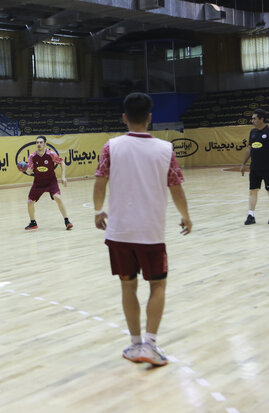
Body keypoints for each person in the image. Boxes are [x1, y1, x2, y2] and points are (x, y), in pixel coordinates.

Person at [93, 92, 192, 367]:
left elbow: (100, 182)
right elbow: (176, 187)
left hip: (119, 233)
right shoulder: (165, 149)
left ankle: (135, 344)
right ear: (150, 118)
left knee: (128, 285)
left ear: (124, 117)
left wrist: (98, 210)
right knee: (157, 285)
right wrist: (185, 216)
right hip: (151, 233)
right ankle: (150, 344)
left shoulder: (110, 147)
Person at [240, 109, 269, 225]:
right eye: (252, 118)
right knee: (252, 191)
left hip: (268, 168)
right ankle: (251, 215)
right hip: (254, 168)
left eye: (254, 118)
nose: (252, 120)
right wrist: (243, 163)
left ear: (261, 119)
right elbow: (249, 149)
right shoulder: (252, 132)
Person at [23, 136, 73, 231]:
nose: (39, 144)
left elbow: (62, 163)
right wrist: (24, 169)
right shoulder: (32, 156)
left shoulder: (51, 154)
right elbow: (29, 172)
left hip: (51, 181)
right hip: (38, 183)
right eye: (37, 142)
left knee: (57, 197)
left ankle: (67, 221)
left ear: (45, 144)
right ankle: (33, 222)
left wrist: (63, 177)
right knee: (30, 202)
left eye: (41, 142)